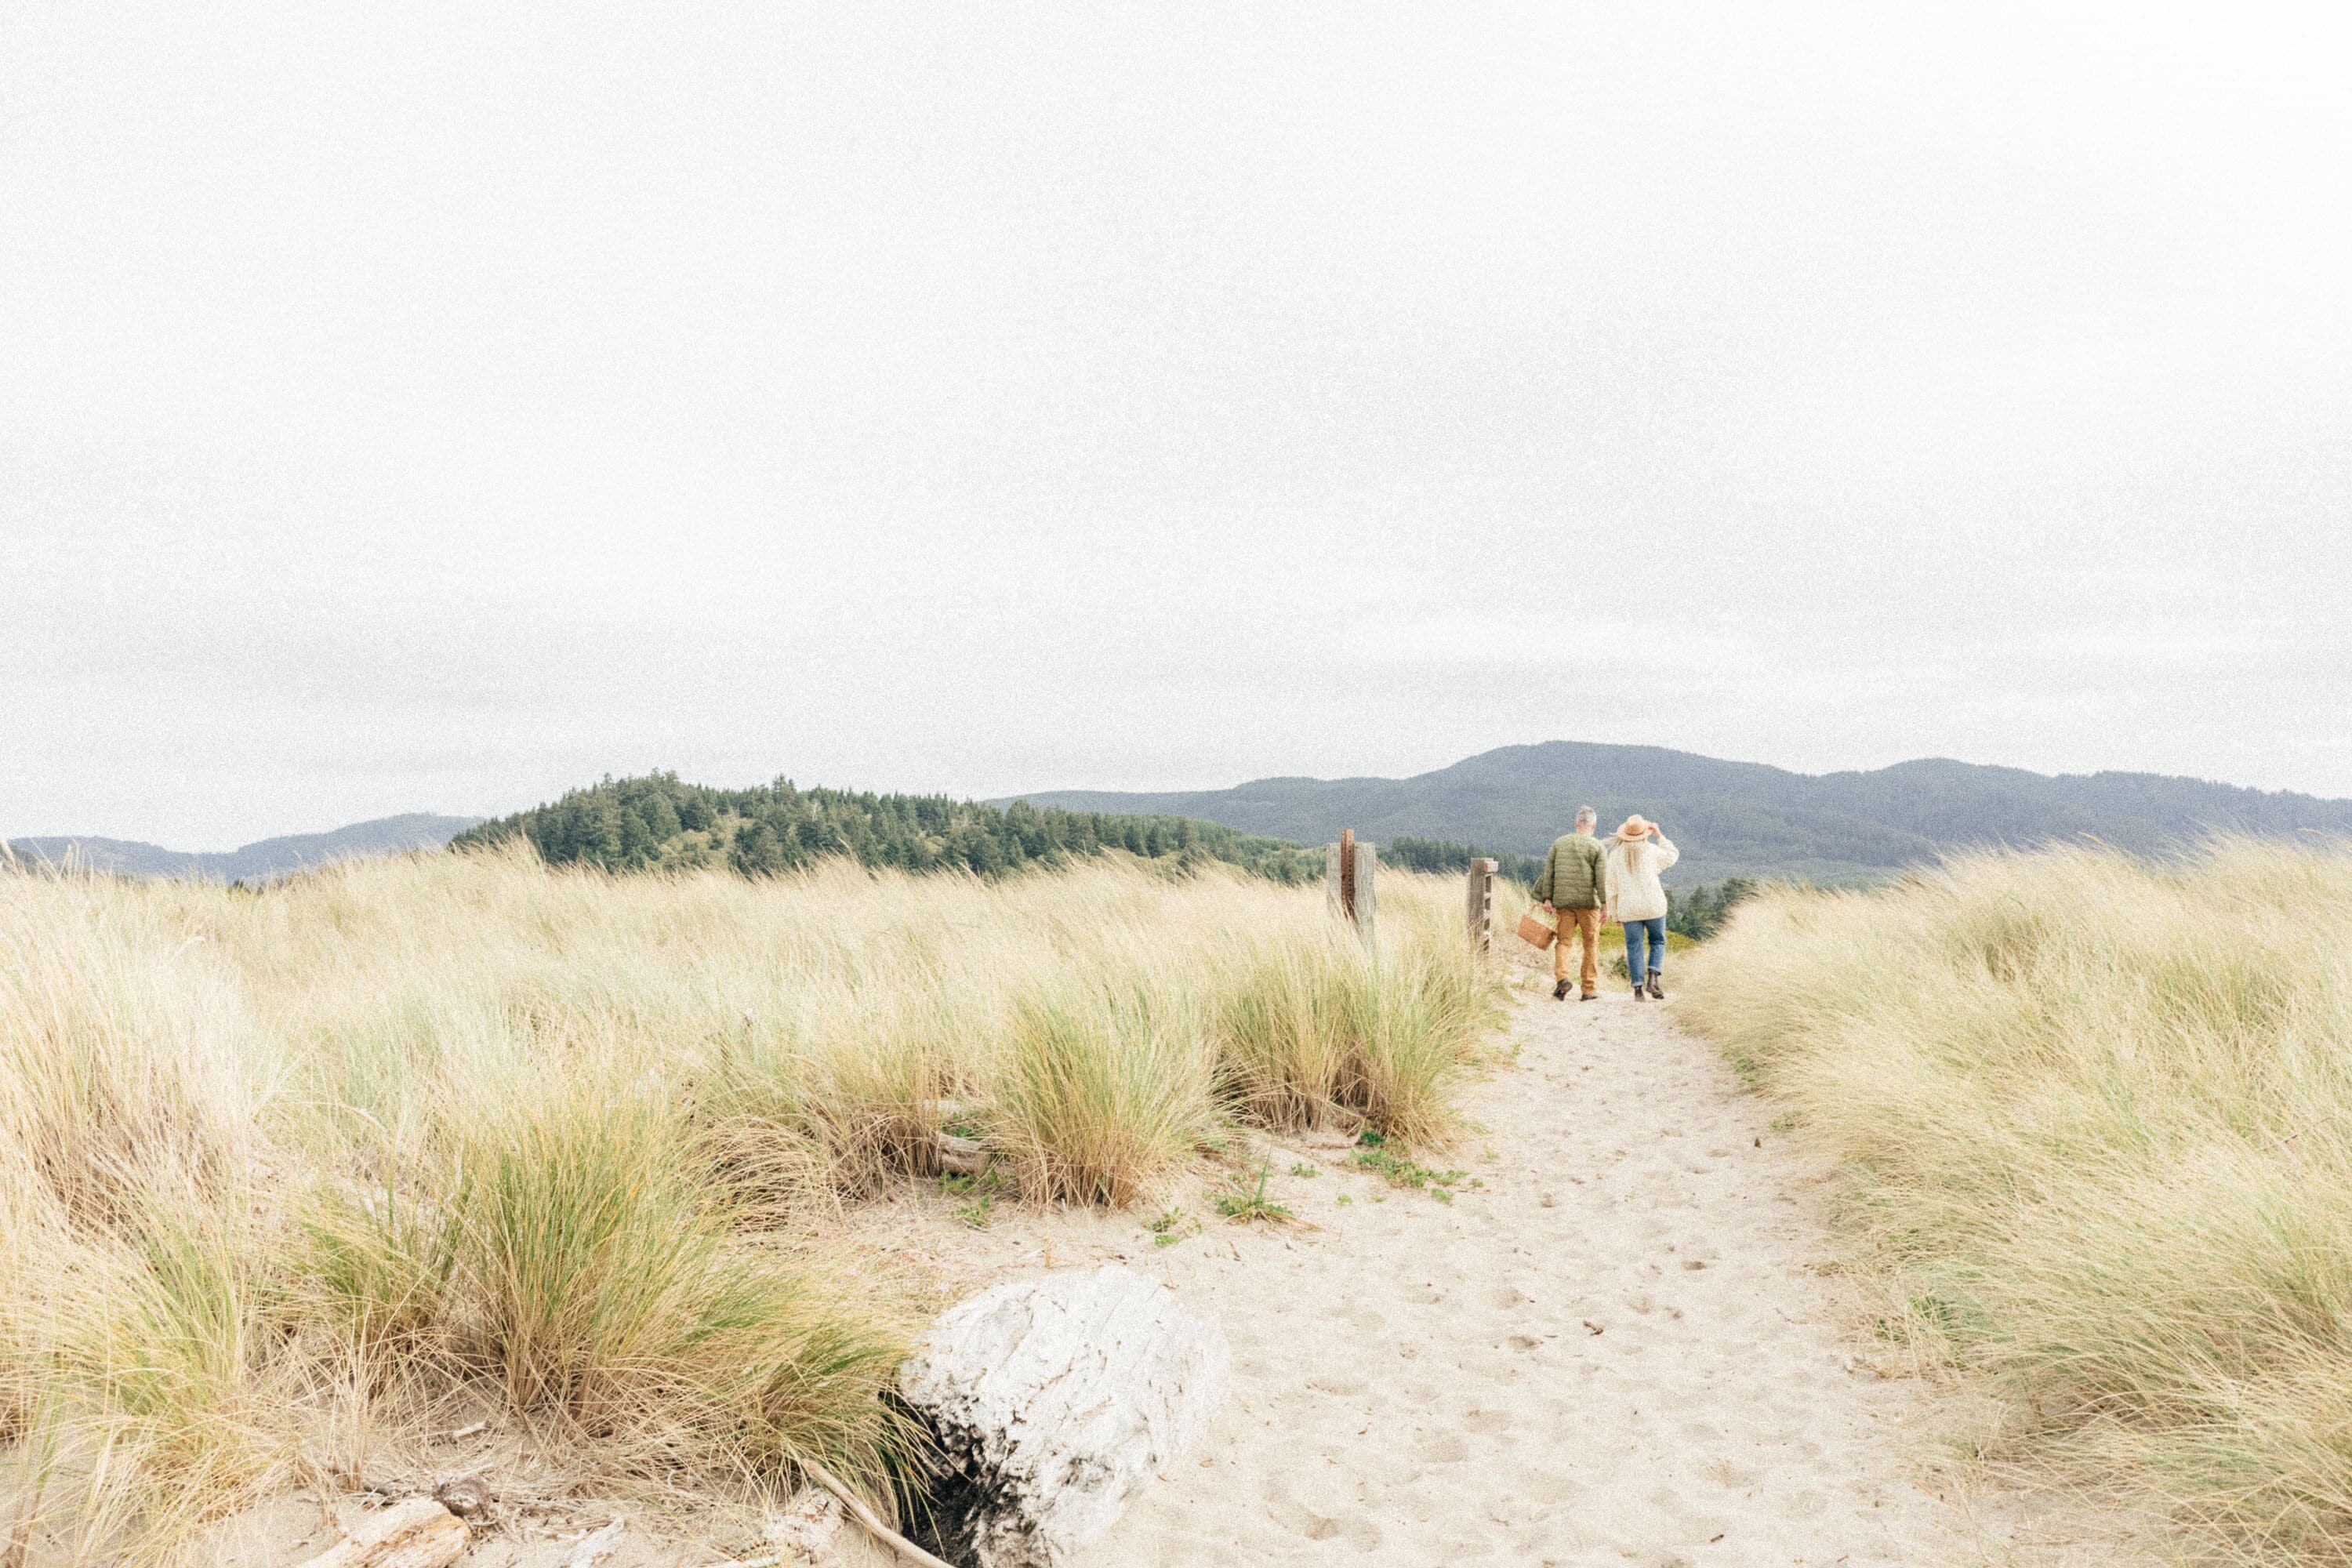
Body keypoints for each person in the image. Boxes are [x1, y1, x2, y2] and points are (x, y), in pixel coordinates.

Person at [1532, 806, 1608, 1001]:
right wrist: (1605, 904)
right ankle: (1588, 989)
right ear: (1594, 826)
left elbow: (1549, 873)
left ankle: (1562, 979)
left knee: (1564, 942)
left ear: (1576, 823)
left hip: (1563, 903)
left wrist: (1547, 898)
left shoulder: (1559, 843)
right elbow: (1601, 879)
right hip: (1589, 904)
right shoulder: (1598, 847)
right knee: (1590, 944)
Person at [1604, 815, 1679, 1000]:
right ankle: (1653, 978)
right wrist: (1659, 835)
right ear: (1644, 833)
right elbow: (1672, 855)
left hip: (1629, 909)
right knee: (1658, 941)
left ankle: (1638, 990)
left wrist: (1614, 914)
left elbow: (1611, 888)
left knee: (1634, 947)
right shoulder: (1651, 850)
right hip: (1654, 905)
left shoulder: (1615, 855)